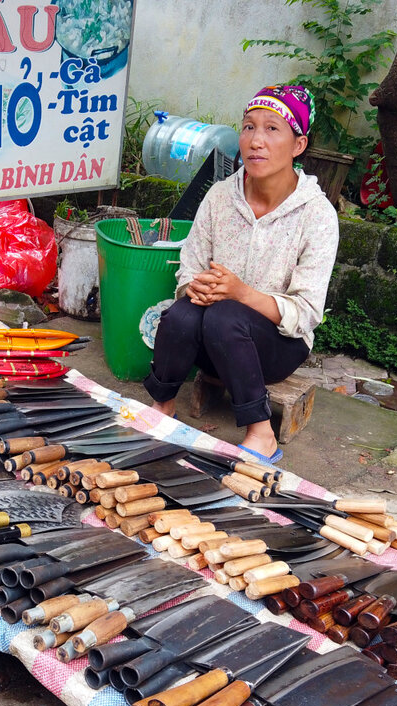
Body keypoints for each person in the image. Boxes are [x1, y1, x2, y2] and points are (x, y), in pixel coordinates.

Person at [142, 84, 339, 464]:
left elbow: (308, 312)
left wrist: (241, 293)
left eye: (272, 129)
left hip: (276, 349)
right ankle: (161, 406)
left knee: (226, 314)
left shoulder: (317, 215)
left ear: (299, 145)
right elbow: (190, 266)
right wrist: (195, 288)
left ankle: (260, 433)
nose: (256, 141)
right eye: (248, 127)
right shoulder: (219, 195)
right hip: (212, 344)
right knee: (181, 313)